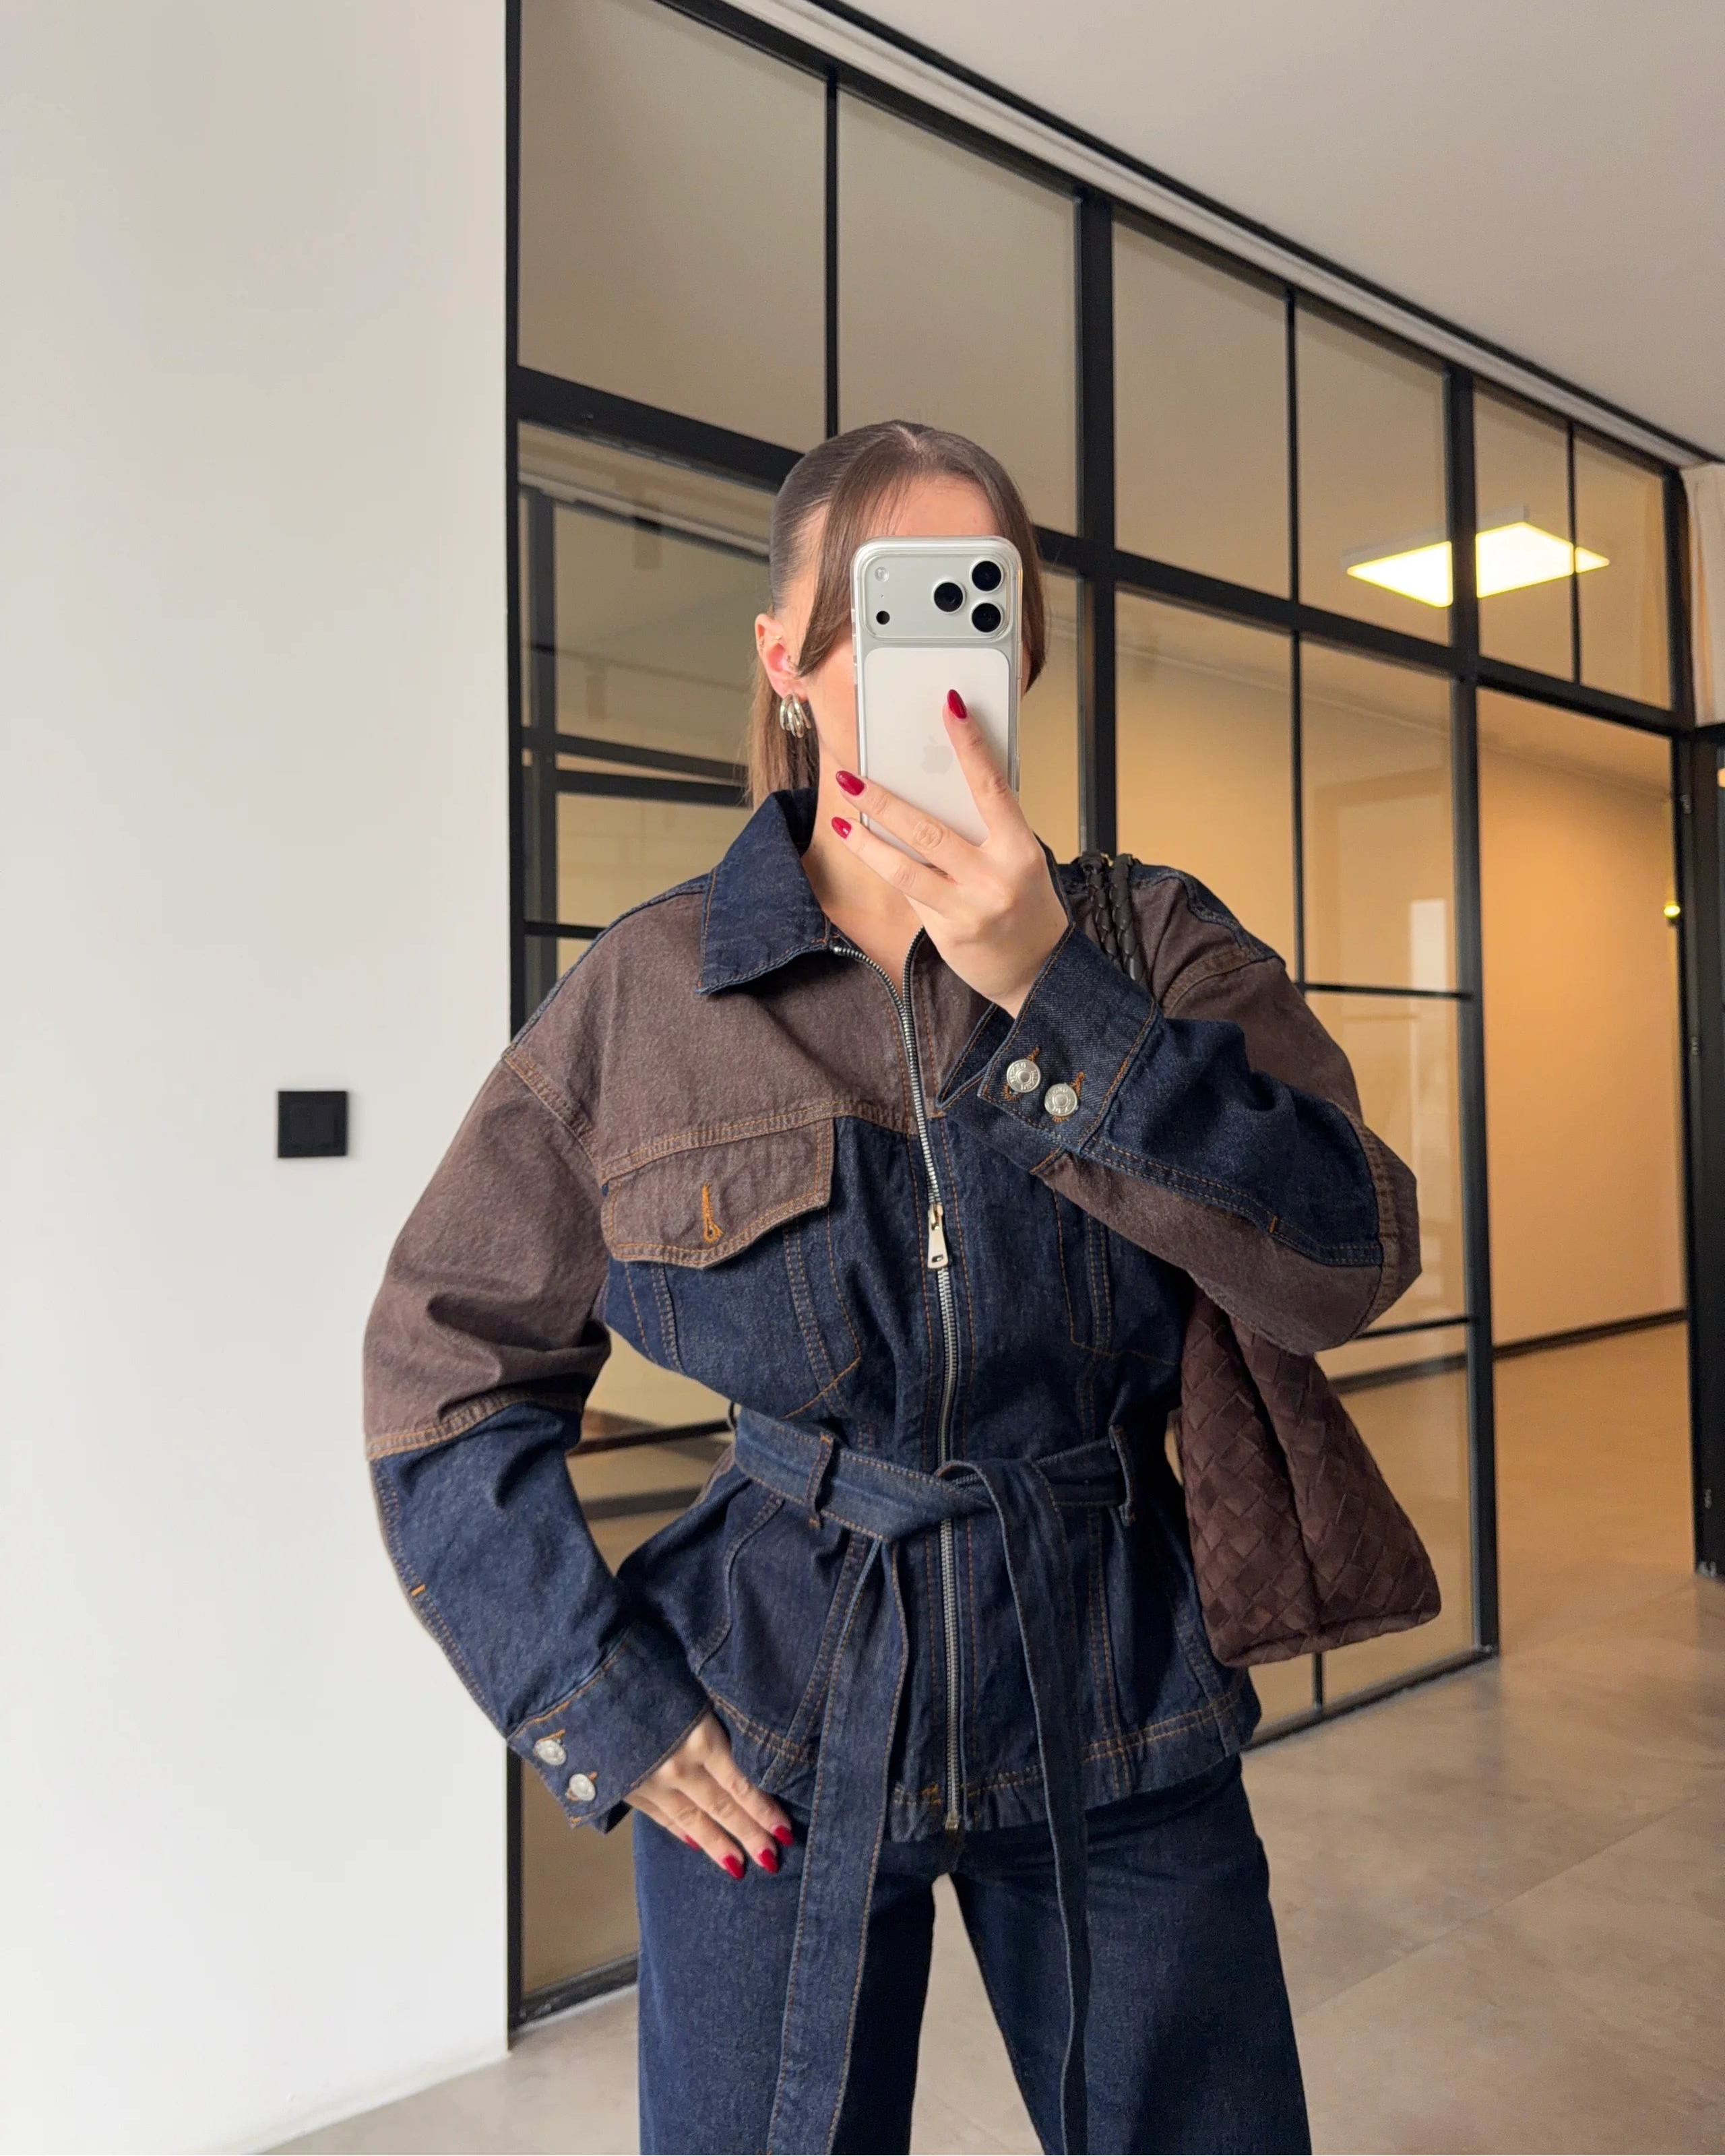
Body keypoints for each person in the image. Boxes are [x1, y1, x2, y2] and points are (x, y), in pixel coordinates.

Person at [363, 420, 1419, 2156]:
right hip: (770, 1714)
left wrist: (1055, 991)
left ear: (1019, 659)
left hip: (1117, 1683)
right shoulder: (650, 995)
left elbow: (1349, 1253)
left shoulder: (1153, 943)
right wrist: (595, 1698)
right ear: (787, 659)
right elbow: (441, 1361)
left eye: (974, 606)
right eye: (885, 608)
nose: (936, 661)